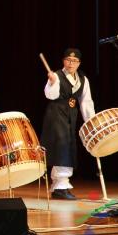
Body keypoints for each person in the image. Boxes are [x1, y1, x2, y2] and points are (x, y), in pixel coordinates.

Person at [41, 47, 95, 200]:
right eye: (68, 60)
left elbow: (86, 101)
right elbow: (50, 95)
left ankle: (60, 185)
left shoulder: (83, 79)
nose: (71, 63)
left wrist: (91, 122)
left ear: (79, 63)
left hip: (71, 115)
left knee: (68, 146)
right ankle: (60, 186)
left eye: (74, 61)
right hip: (56, 114)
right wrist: (52, 82)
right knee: (62, 146)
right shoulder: (57, 75)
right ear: (63, 61)